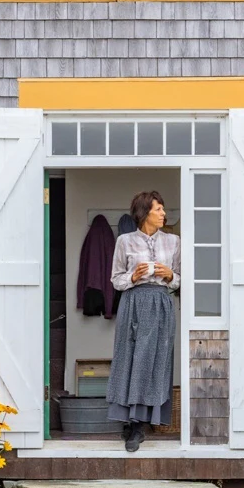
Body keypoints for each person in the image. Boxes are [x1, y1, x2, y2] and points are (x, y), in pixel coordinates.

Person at [106, 189, 180, 452]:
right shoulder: (125, 241)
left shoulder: (174, 242)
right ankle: (131, 422)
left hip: (160, 303)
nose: (163, 213)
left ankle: (143, 423)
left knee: (155, 359)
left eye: (163, 209)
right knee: (129, 357)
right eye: (158, 209)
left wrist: (170, 275)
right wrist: (133, 277)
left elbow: (182, 280)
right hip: (133, 303)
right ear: (144, 212)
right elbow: (116, 280)